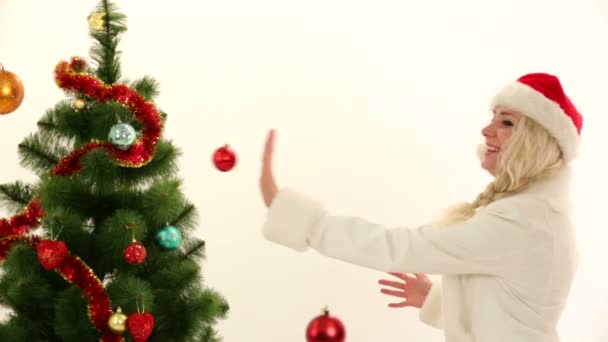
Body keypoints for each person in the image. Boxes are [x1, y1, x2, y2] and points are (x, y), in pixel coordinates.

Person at [259, 72, 582, 342]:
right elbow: (512, 311)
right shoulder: (534, 214)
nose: (487, 130)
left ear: (535, 142)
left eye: (507, 122)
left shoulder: (523, 221)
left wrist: (298, 218)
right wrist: (435, 300)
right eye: (492, 118)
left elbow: (400, 246)